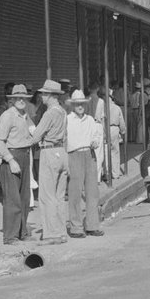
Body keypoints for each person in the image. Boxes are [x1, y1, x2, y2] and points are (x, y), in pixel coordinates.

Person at [25, 80, 69, 244]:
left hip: (49, 151)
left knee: (47, 195)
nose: (42, 96)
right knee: (59, 196)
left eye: (44, 93)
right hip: (61, 151)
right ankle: (61, 230)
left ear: (51, 95)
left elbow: (36, 135)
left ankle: (52, 233)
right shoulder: (62, 112)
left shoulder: (49, 113)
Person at [0, 84, 36, 244]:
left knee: (24, 198)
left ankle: (22, 232)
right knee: (13, 199)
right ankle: (10, 236)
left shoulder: (25, 114)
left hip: (25, 155)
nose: (21, 100)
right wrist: (10, 160)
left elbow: (33, 131)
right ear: (11, 100)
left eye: (23, 97)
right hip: (12, 157)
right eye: (17, 97)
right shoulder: (7, 116)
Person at [66, 90, 103, 238]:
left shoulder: (90, 119)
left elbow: (96, 134)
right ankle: (76, 227)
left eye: (82, 104)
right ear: (73, 105)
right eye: (77, 104)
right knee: (75, 192)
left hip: (89, 154)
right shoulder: (67, 120)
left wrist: (95, 141)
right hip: (74, 154)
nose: (80, 106)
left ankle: (92, 225)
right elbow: (64, 139)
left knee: (92, 192)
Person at [106, 89, 126, 180]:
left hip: (104, 128)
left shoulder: (103, 107)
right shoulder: (117, 108)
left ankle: (106, 172)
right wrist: (123, 131)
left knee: (105, 151)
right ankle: (115, 173)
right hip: (114, 128)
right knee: (115, 151)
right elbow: (121, 121)